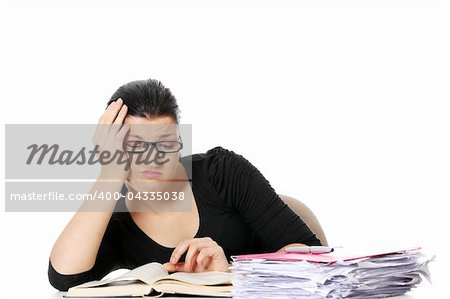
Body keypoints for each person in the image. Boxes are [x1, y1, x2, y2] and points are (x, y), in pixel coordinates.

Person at [48, 79, 322, 291]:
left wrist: (229, 274)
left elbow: (310, 252)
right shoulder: (113, 213)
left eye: (165, 145)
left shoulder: (222, 172)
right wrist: (109, 172)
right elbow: (64, 278)